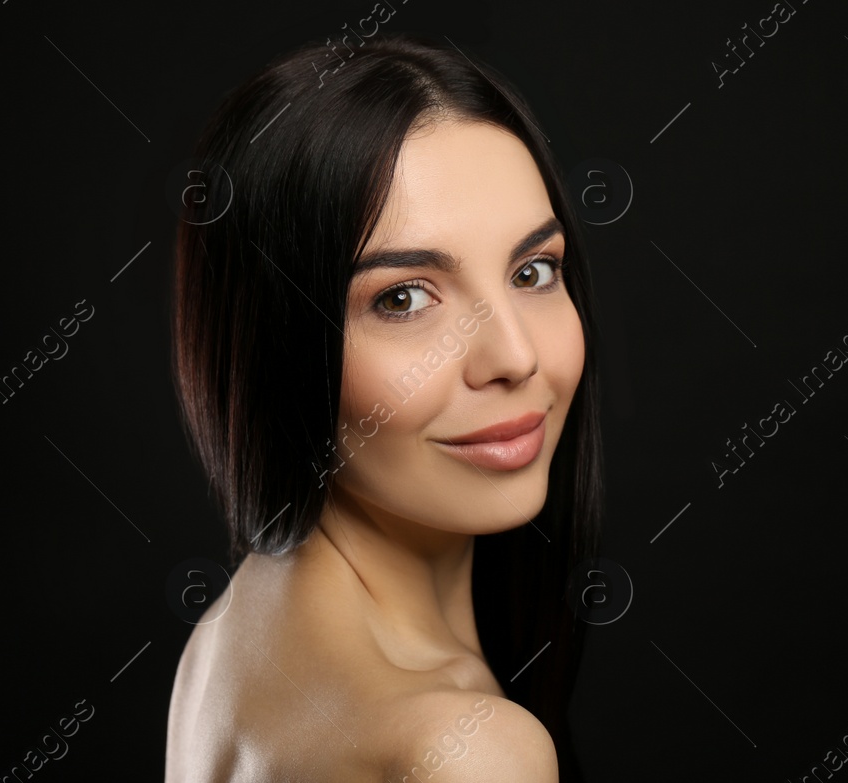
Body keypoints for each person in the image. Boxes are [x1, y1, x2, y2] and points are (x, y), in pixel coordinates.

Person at [164, 32, 603, 781]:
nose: (516, 357)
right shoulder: (472, 751)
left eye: (533, 270)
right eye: (403, 298)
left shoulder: (235, 631)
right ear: (277, 343)